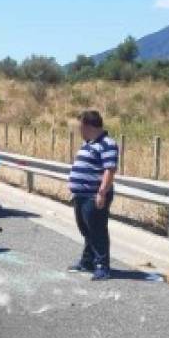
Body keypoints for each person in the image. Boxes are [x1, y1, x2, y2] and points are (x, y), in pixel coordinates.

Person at [67, 110, 119, 280]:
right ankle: (87, 261)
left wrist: (102, 193)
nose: (79, 131)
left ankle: (102, 266)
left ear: (88, 126)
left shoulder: (107, 144)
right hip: (82, 196)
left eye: (80, 127)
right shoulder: (88, 143)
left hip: (94, 195)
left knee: (97, 231)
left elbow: (109, 170)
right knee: (86, 230)